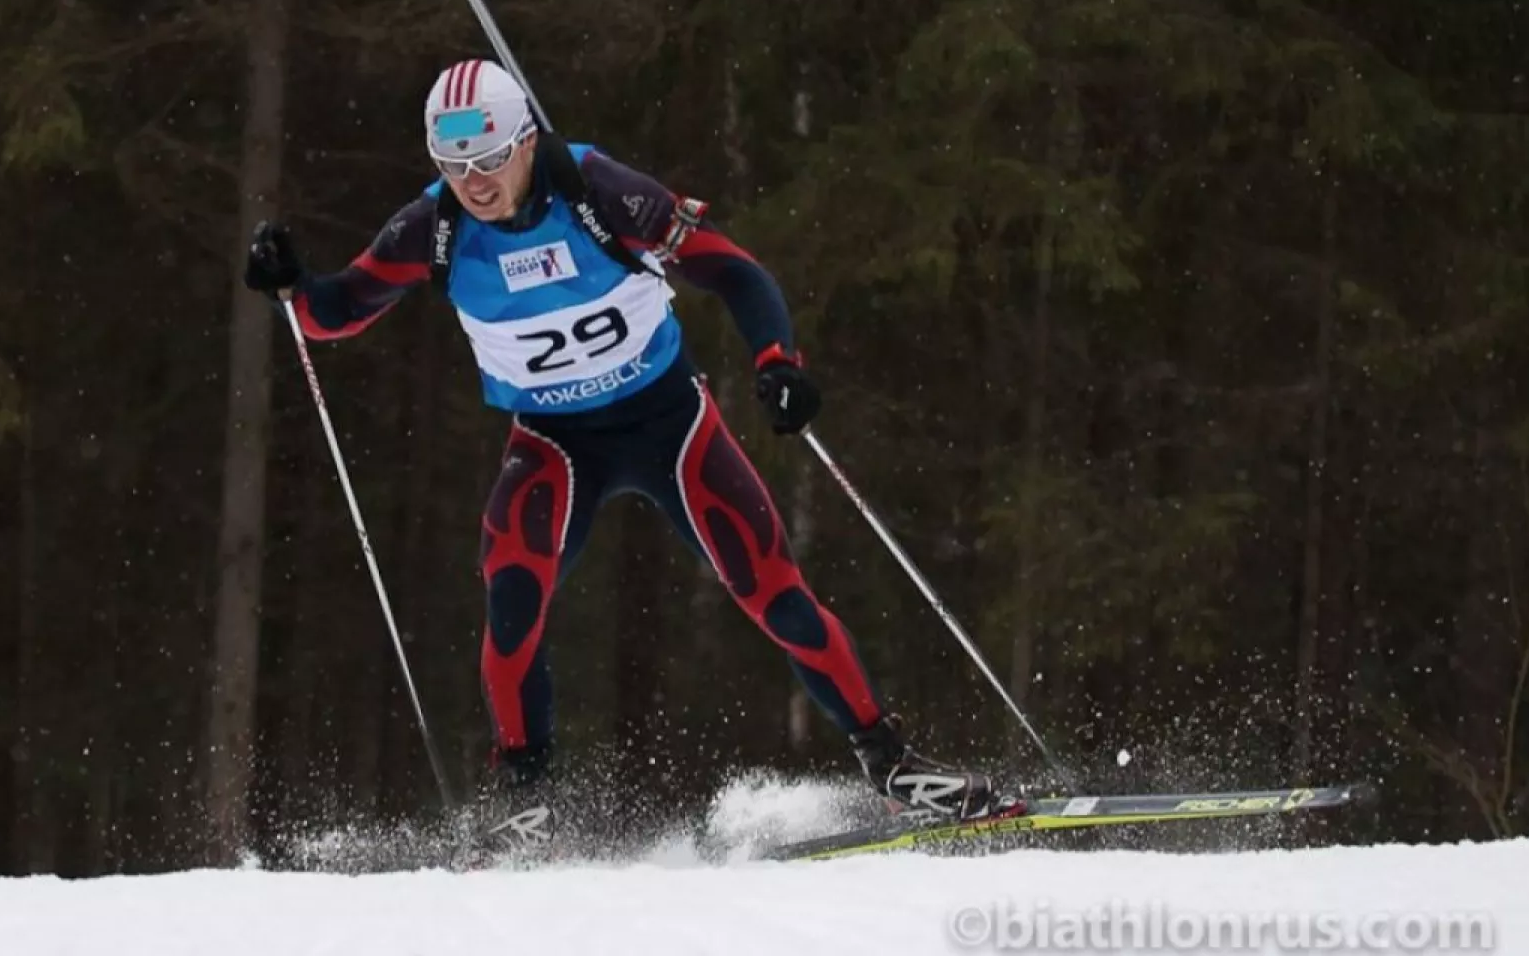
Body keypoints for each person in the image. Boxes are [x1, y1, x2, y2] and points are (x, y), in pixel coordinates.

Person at [243, 58, 1000, 845]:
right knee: (511, 603)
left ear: (528, 140)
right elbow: (337, 310)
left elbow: (737, 273)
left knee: (774, 594)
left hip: (668, 422)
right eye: (452, 164)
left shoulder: (603, 196)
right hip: (552, 441)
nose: (473, 182)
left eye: (490, 159)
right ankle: (525, 801)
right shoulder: (432, 229)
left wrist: (777, 363)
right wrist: (293, 286)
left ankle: (894, 765)